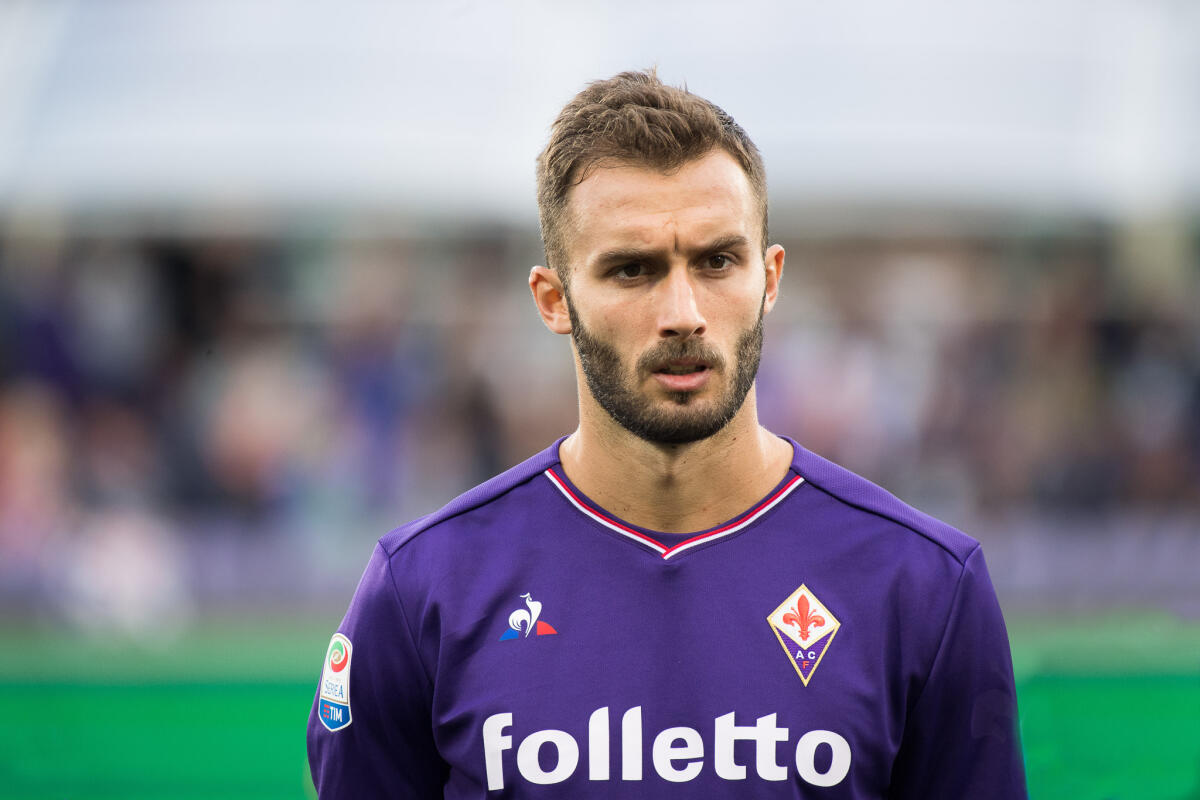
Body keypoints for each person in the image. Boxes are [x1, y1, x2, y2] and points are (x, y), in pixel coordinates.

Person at [307, 69, 1028, 798]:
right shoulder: (423, 591)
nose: (683, 311)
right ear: (554, 299)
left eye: (718, 261)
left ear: (770, 278)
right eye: (632, 269)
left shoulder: (924, 586)